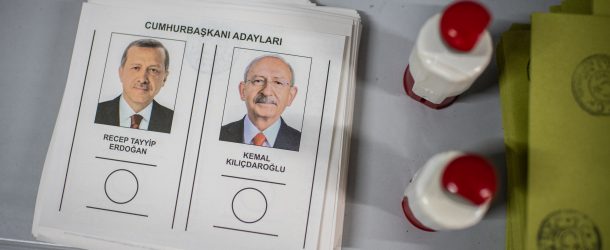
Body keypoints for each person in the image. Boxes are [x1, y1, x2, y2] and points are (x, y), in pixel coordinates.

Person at [220, 55, 301, 151]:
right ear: (243, 91)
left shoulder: (302, 144)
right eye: (258, 81)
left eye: (278, 83)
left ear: (290, 96)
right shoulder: (218, 134)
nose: (267, 92)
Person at [95, 39, 173, 133]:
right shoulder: (95, 112)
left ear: (164, 78)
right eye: (136, 68)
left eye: (153, 70)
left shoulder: (174, 121)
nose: (143, 79)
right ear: (121, 73)